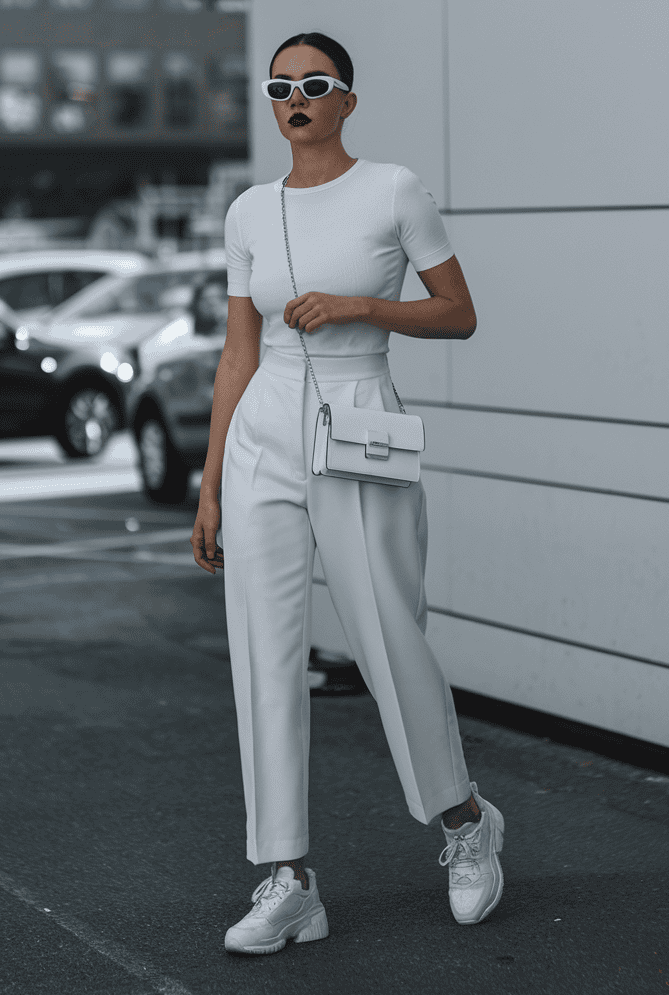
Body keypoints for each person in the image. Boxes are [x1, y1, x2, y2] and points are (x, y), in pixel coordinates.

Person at [189, 30, 505, 956]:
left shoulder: (393, 189)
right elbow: (238, 353)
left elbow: (459, 312)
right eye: (279, 85)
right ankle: (286, 877)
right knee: (262, 650)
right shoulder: (249, 211)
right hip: (264, 429)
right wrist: (209, 484)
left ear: (346, 100)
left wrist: (362, 305)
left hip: (361, 410)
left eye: (314, 83)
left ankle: (464, 822)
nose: (295, 97)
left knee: (386, 631)